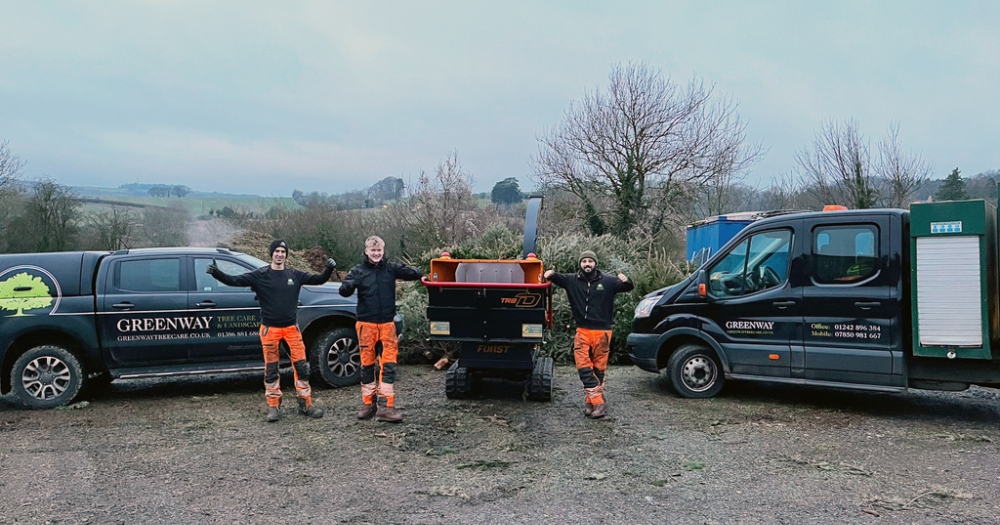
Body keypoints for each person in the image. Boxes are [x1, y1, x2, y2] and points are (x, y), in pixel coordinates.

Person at [207, 239, 336, 422]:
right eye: (277, 251)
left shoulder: (294, 274)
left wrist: (329, 269)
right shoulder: (260, 275)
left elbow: (318, 279)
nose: (280, 254)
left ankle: (305, 403)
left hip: (291, 329)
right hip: (270, 330)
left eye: (283, 252)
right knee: (271, 370)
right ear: (271, 254)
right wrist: (217, 273)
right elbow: (235, 280)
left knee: (302, 367)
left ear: (286, 255)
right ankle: (274, 406)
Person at [339, 235, 422, 423]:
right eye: (373, 250)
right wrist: (351, 283)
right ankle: (369, 404)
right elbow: (344, 290)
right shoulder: (358, 271)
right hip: (366, 324)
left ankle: (385, 406)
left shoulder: (390, 268)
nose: (376, 253)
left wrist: (418, 271)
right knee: (367, 365)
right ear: (366, 251)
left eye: (379, 250)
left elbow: (413, 273)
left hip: (386, 325)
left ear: (383, 251)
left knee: (388, 365)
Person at [544, 250, 633, 419]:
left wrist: (626, 280)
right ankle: (599, 402)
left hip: (603, 332)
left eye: (590, 261)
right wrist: (550, 274)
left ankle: (590, 401)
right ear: (580, 264)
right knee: (583, 367)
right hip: (582, 331)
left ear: (595, 264)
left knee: (599, 368)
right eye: (584, 261)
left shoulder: (608, 281)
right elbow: (555, 277)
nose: (587, 264)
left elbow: (628, 287)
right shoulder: (571, 280)